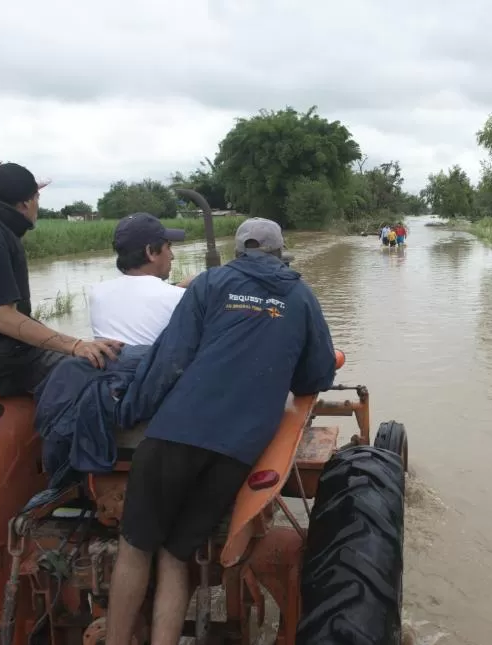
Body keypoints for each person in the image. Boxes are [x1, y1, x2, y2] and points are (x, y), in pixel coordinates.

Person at [106, 217, 337, 645]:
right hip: (237, 452)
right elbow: (317, 375)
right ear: (279, 252)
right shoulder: (302, 296)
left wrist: (127, 412)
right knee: (176, 555)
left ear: (238, 250)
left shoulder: (209, 284)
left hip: (176, 434)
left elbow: (170, 361)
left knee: (135, 548)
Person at [0, 162, 121, 397]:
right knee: (108, 370)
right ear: (26, 203)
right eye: (37, 196)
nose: (38, 204)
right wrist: (76, 345)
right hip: (0, 368)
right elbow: (4, 319)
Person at [88, 212, 196, 346]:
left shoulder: (97, 293)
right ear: (150, 252)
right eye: (168, 247)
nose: (172, 256)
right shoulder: (181, 299)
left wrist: (177, 287)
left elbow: (141, 300)